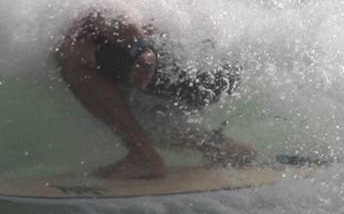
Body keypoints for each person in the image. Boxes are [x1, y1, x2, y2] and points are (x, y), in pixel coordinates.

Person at [54, 11, 254, 179]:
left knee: (70, 54)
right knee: (130, 112)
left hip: (187, 64)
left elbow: (109, 9)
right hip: (219, 64)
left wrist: (140, 50)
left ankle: (144, 158)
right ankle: (225, 149)